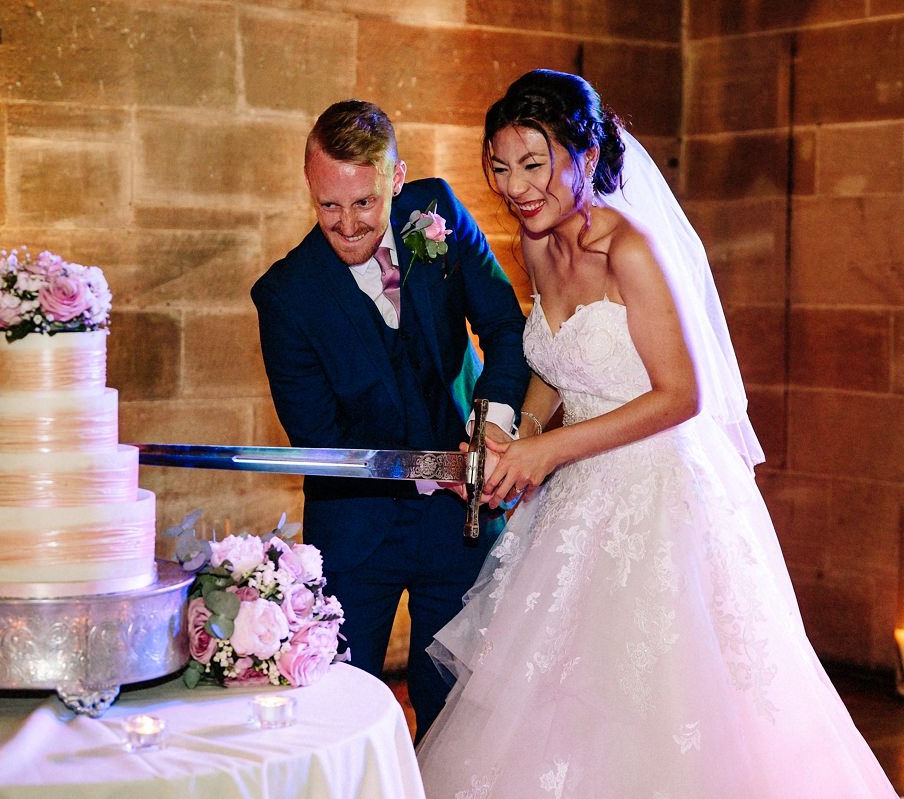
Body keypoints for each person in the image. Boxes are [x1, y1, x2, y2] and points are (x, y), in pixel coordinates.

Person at [416, 69, 897, 797]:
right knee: (551, 706)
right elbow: (561, 360)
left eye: (534, 164)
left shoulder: (629, 250)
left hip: (659, 494)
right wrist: (523, 431)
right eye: (500, 166)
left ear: (582, 154)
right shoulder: (535, 241)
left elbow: (682, 395)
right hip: (580, 499)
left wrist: (547, 450)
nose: (515, 186)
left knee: (662, 699)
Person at [251, 99, 530, 740]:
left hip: (463, 523)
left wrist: (494, 424)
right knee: (340, 715)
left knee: (460, 717)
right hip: (356, 531)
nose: (347, 226)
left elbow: (505, 327)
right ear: (310, 187)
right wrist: (434, 467)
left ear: (396, 178)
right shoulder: (285, 296)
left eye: (365, 204)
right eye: (328, 206)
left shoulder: (439, 215)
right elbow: (318, 438)